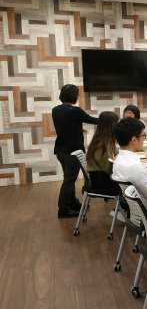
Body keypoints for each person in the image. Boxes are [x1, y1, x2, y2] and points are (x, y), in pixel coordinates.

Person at [111, 118, 147, 226]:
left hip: (140, 211)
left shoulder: (118, 160)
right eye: (143, 135)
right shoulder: (134, 166)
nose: (144, 139)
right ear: (134, 140)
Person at [52, 84, 98, 218]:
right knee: (69, 181)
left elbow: (67, 125)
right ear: (74, 96)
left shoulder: (56, 110)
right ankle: (63, 209)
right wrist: (108, 119)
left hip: (60, 150)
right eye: (77, 94)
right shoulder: (75, 111)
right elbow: (92, 120)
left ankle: (72, 203)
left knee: (68, 178)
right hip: (72, 151)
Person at [86, 111, 120, 191]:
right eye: (117, 123)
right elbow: (107, 169)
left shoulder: (104, 139)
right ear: (112, 125)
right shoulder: (102, 144)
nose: (118, 126)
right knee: (131, 182)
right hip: (102, 181)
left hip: (102, 177)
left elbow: (112, 156)